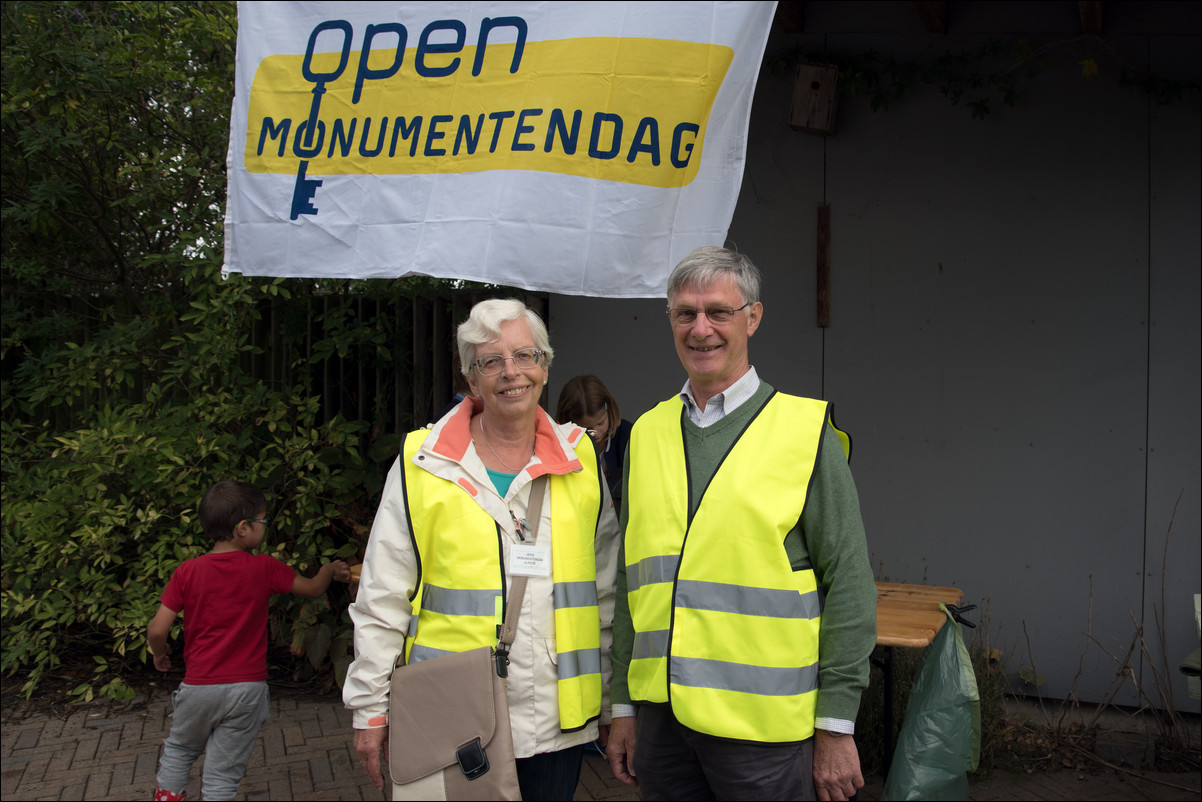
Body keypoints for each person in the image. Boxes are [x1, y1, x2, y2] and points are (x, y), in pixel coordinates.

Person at [606, 247, 877, 801]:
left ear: (752, 318)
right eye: (685, 313)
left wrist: (835, 723)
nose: (700, 328)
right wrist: (623, 707)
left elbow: (848, 582)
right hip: (662, 725)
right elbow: (632, 582)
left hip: (763, 735)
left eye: (718, 312)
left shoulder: (804, 433)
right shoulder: (649, 433)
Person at [345, 298, 622, 801]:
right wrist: (370, 708)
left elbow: (606, 592)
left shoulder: (581, 460)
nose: (510, 372)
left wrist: (610, 704)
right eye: (491, 361)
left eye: (525, 355)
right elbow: (382, 594)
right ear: (471, 380)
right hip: (454, 715)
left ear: (544, 366)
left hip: (557, 721)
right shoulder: (423, 463)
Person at [148, 480, 351, 802]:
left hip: (199, 687)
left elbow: (158, 630)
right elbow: (313, 589)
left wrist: (159, 654)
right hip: (247, 691)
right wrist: (328, 570)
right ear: (243, 528)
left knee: (180, 749)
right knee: (222, 778)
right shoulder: (264, 568)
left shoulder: (187, 572)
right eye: (263, 521)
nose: (265, 528)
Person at [555, 374, 633, 514]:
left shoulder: (627, 436)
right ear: (568, 422)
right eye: (586, 429)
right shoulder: (561, 447)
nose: (596, 433)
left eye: (601, 423)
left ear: (609, 410)